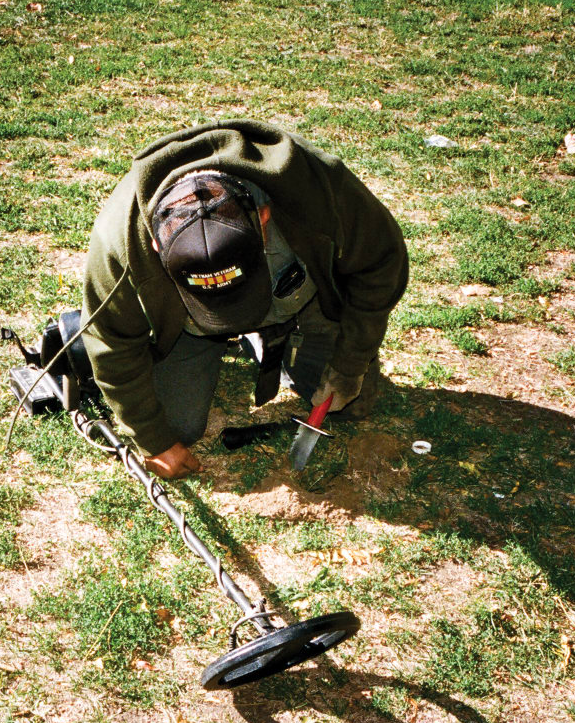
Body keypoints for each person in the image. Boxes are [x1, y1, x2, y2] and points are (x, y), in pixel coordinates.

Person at [81, 120, 408, 480]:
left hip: (301, 299)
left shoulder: (316, 188)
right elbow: (109, 344)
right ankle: (232, 343)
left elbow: (381, 265)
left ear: (263, 218)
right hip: (191, 330)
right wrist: (154, 441)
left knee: (352, 402)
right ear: (157, 247)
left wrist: (350, 362)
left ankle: (279, 342)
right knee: (176, 427)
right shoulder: (120, 246)